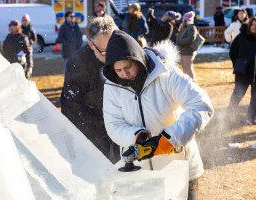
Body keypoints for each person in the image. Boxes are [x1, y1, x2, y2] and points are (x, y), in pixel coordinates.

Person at [102, 30, 213, 200]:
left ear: (137, 60)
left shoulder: (166, 74)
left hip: (179, 164)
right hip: (141, 172)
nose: (124, 74)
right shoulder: (112, 87)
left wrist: (169, 139)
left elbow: (201, 105)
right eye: (118, 70)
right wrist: (136, 136)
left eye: (128, 67)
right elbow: (113, 124)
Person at [61, 16, 120, 164]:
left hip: (122, 124)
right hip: (94, 126)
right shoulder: (78, 63)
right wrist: (95, 139)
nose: (111, 56)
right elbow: (71, 107)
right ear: (91, 45)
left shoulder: (124, 48)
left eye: (114, 48)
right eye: (104, 52)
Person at [229, 16, 256, 125]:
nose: (254, 27)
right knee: (237, 96)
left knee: (255, 100)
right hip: (243, 73)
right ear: (249, 25)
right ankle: (229, 116)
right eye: (253, 25)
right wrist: (238, 64)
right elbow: (232, 52)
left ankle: (250, 117)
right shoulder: (241, 37)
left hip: (255, 75)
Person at [176, 11, 198, 82]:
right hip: (183, 51)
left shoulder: (192, 27)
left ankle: (193, 82)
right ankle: (188, 82)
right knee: (185, 68)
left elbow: (191, 38)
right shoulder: (185, 27)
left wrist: (180, 42)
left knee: (188, 68)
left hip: (188, 51)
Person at [21, 14, 37, 79]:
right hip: (21, 49)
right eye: (23, 20)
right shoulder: (20, 29)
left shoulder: (31, 29)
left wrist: (30, 42)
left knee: (29, 60)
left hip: (29, 48)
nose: (25, 22)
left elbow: (35, 39)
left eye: (26, 20)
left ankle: (29, 72)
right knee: (21, 60)